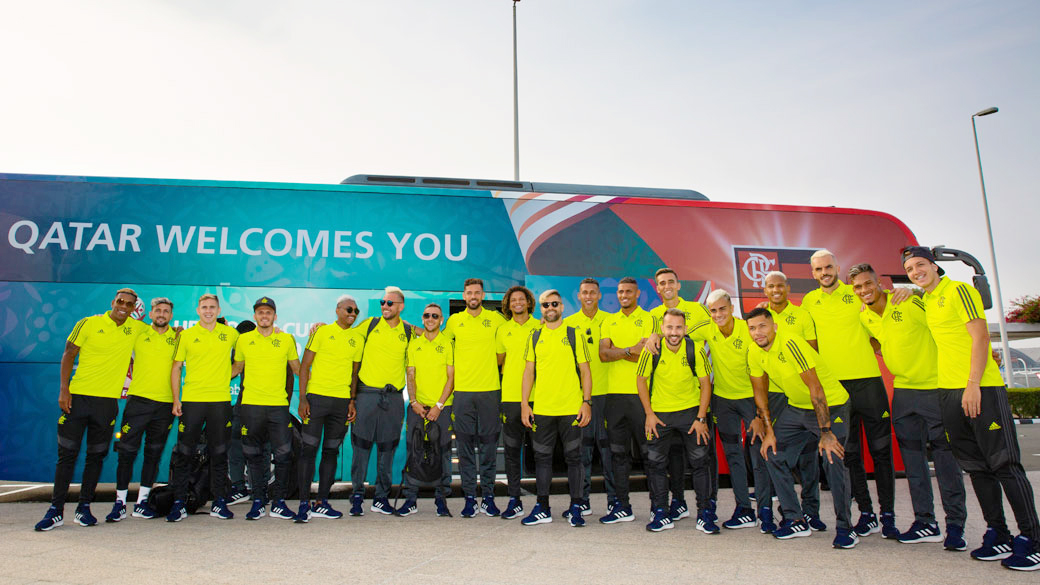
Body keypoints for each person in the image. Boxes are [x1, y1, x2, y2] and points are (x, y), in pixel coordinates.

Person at [903, 247, 1040, 571]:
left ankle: (1033, 539)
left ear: (935, 266)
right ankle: (999, 533)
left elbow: (980, 338)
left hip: (980, 389)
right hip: (949, 393)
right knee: (976, 467)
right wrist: (905, 292)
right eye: (909, 269)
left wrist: (973, 383)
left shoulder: (959, 290)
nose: (916, 271)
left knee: (1005, 464)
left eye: (920, 265)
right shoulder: (928, 300)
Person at [850, 263, 967, 549]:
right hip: (903, 393)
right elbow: (878, 345)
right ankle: (925, 522)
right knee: (914, 463)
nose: (864, 290)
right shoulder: (866, 318)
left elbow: (945, 327)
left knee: (945, 460)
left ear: (879, 283)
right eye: (858, 287)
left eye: (868, 284)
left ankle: (955, 526)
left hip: (935, 389)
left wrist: (911, 291)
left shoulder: (909, 302)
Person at [35, 288, 148, 531]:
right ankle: (55, 510)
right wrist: (64, 390)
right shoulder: (88, 323)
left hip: (106, 404)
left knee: (96, 457)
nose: (123, 306)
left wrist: (178, 331)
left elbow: (161, 333)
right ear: (113, 302)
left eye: (129, 304)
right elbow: (68, 354)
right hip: (77, 399)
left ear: (133, 309)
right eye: (120, 301)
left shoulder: (136, 329)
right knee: (67, 456)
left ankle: (83, 508)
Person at [804, 249, 897, 538]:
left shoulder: (856, 292)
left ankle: (888, 515)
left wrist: (904, 292)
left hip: (868, 383)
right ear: (813, 273)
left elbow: (884, 311)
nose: (824, 273)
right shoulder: (809, 301)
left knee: (882, 452)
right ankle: (867, 513)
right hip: (836, 390)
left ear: (837, 267)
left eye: (828, 267)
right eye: (818, 269)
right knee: (850, 453)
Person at [747, 307, 857, 548]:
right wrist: (770, 432)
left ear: (774, 326)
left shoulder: (790, 343)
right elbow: (760, 393)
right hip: (796, 408)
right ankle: (795, 518)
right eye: (752, 328)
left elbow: (816, 388)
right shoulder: (754, 352)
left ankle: (846, 528)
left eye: (762, 326)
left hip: (831, 405)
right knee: (772, 452)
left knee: (832, 458)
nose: (757, 333)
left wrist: (826, 432)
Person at [635, 309, 714, 533]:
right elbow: (641, 381)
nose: (674, 332)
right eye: (669, 327)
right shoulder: (651, 351)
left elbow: (705, 384)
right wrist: (649, 414)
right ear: (662, 329)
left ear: (685, 329)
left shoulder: (695, 349)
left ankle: (705, 513)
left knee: (700, 462)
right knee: (656, 464)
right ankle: (661, 512)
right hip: (659, 416)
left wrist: (701, 417)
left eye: (678, 327)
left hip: (691, 415)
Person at [519, 290, 593, 526]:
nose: (550, 308)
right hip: (542, 409)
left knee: (574, 458)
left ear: (562, 307)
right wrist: (525, 405)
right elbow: (528, 372)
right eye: (545, 305)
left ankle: (576, 507)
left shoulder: (574, 334)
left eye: (554, 304)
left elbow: (586, 371)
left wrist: (586, 402)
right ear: (540, 309)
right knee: (542, 458)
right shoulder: (534, 336)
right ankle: (542, 507)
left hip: (571, 408)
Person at [701, 290, 771, 532]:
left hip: (751, 401)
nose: (718, 314)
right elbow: (677, 331)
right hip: (723, 401)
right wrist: (654, 336)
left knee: (758, 455)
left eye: (722, 309)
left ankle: (765, 510)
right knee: (732, 455)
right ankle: (744, 510)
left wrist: (761, 414)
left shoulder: (748, 330)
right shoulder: (708, 328)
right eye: (713, 311)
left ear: (731, 308)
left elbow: (763, 372)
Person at [166, 293, 239, 522]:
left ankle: (219, 502)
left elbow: (245, 357)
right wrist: (177, 400)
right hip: (192, 401)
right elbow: (176, 367)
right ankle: (178, 503)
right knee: (184, 453)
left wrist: (227, 375)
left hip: (220, 401)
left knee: (219, 453)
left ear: (218, 311)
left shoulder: (230, 334)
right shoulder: (186, 336)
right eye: (204, 307)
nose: (208, 311)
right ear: (197, 310)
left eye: (212, 307)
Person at [761, 270, 823, 531]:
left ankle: (811, 512)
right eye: (770, 286)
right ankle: (787, 511)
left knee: (809, 456)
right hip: (776, 395)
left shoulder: (802, 315)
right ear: (764, 290)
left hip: (801, 396)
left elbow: (813, 352)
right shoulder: (761, 317)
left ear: (787, 287)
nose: (775, 290)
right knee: (777, 453)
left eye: (780, 286)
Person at [106, 297, 178, 522]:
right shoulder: (138, 332)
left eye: (166, 311)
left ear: (171, 316)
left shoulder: (177, 338)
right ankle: (119, 503)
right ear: (151, 313)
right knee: (127, 453)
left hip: (164, 405)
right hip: (138, 403)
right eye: (158, 310)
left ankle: (142, 503)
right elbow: (116, 319)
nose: (162, 314)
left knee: (153, 455)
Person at [232, 297, 301, 521]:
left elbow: (298, 369)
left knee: (283, 455)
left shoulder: (286, 340)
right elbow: (236, 369)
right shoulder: (243, 340)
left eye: (268, 312)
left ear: (275, 316)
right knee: (253, 455)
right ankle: (258, 502)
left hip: (278, 407)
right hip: (251, 406)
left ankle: (279, 502)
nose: (264, 316)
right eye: (260, 312)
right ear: (255, 316)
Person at [294, 295, 362, 522]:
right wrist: (303, 399)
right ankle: (304, 503)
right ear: (337, 310)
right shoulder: (321, 332)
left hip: (341, 403)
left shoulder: (357, 338)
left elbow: (354, 374)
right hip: (316, 400)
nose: (352, 313)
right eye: (348, 309)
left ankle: (321, 502)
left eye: (356, 311)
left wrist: (351, 400)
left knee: (331, 451)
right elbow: (304, 367)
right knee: (308, 450)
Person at [442, 278, 506, 517]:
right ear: (464, 295)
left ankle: (488, 497)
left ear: (483, 295)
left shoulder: (497, 319)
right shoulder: (454, 321)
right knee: (466, 447)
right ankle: (470, 498)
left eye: (477, 292)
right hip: (463, 393)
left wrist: (486, 368)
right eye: (469, 292)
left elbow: (502, 355)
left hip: (490, 392)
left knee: (489, 447)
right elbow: (440, 344)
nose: (473, 296)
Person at [350, 286, 412, 516]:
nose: (385, 306)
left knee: (387, 449)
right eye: (383, 303)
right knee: (361, 448)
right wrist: (322, 327)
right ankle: (357, 496)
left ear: (400, 306)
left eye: (390, 303)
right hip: (366, 396)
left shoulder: (407, 332)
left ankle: (381, 498)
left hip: (393, 398)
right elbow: (347, 334)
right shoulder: (370, 325)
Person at [598, 277, 654, 524]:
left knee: (650, 453)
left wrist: (619, 351)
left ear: (638, 294)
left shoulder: (649, 318)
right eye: (620, 291)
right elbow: (602, 354)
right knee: (618, 454)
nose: (624, 295)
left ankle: (658, 506)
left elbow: (645, 351)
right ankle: (622, 506)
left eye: (629, 291)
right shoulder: (609, 320)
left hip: (641, 396)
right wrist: (630, 350)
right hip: (614, 398)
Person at [563, 278, 615, 517]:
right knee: (582, 451)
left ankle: (615, 501)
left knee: (608, 450)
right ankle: (582, 500)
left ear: (600, 295)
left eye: (593, 292)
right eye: (585, 293)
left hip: (607, 395)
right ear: (579, 296)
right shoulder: (568, 324)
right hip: (580, 397)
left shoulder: (610, 320)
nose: (589, 296)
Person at [398, 303, 455, 518]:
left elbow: (451, 377)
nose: (430, 319)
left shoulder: (448, 344)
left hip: (441, 408)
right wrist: (413, 402)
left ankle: (442, 501)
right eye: (427, 316)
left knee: (442, 453)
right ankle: (410, 500)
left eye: (435, 316)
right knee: (414, 451)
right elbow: (410, 375)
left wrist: (439, 406)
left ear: (441, 320)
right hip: (417, 408)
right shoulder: (414, 344)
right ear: (422, 319)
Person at [496, 285, 540, 519]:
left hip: (539, 398)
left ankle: (542, 502)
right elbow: (500, 362)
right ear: (508, 304)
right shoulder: (503, 330)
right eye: (513, 300)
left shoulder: (541, 327)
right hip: (511, 398)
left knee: (541, 452)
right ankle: (514, 500)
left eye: (521, 299)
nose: (517, 303)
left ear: (528, 302)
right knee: (512, 452)